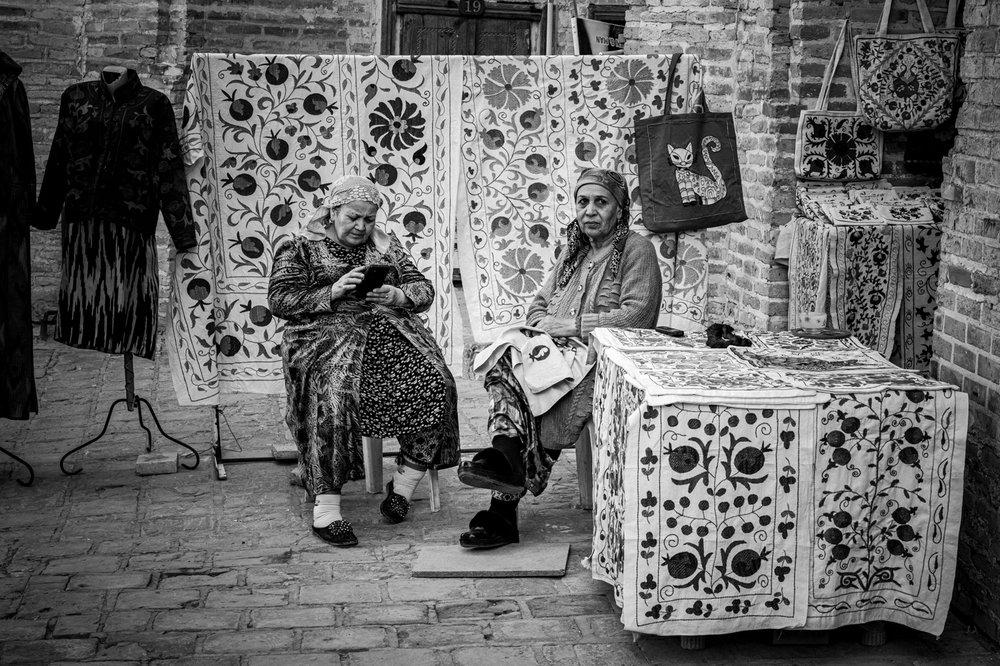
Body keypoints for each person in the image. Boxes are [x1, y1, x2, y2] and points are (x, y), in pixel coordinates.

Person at [457, 167, 662, 549]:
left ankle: (502, 503)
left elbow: (639, 317)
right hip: (553, 351)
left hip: (601, 359)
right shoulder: (575, 250)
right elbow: (537, 308)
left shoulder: (637, 250)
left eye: (601, 202)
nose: (589, 211)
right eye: (583, 202)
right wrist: (543, 330)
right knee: (503, 360)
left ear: (620, 209)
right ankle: (505, 456)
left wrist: (569, 326)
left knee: (549, 394)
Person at [268, 175, 460, 547]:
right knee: (335, 396)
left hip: (387, 336)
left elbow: (424, 290)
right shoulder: (300, 248)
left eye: (369, 219)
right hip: (325, 340)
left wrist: (398, 295)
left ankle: (403, 486)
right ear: (332, 211)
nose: (361, 227)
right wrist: (332, 292)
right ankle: (327, 508)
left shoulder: (386, 248)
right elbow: (280, 300)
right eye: (353, 218)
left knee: (438, 383)